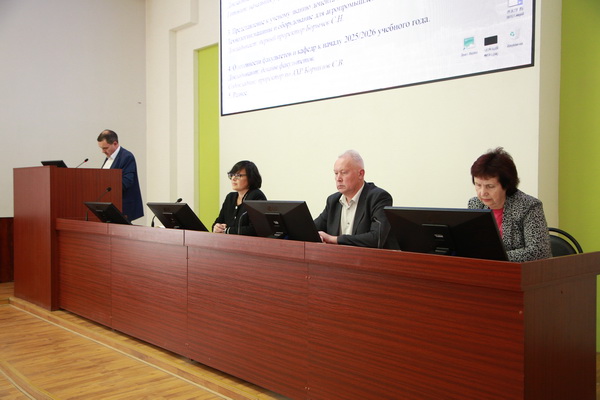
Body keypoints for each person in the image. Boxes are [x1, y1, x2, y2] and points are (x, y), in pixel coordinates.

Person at [468, 147, 551, 262]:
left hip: (521, 271)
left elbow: (539, 252)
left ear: (506, 185)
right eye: (478, 185)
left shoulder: (529, 206)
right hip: (485, 270)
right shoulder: (475, 205)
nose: (482, 193)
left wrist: (493, 257)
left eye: (490, 186)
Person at [314, 150, 393, 248]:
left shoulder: (379, 198)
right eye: (336, 173)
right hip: (336, 257)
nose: (338, 178)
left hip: (367, 257)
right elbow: (312, 229)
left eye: (344, 173)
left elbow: (376, 238)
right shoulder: (333, 201)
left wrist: (334, 239)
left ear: (360, 174)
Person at [97, 129, 144, 221]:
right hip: (109, 205)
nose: (103, 151)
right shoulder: (109, 158)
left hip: (122, 205)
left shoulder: (126, 156)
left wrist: (107, 187)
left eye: (105, 148)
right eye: (101, 148)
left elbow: (127, 181)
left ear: (115, 143)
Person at [212, 160, 266, 235]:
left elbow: (255, 229)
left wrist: (227, 230)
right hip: (228, 241)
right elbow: (219, 221)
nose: (233, 178)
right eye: (232, 175)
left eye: (238, 175)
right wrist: (216, 227)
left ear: (250, 177)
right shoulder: (230, 197)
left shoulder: (256, 196)